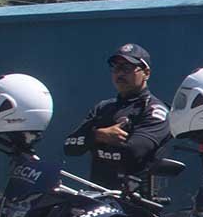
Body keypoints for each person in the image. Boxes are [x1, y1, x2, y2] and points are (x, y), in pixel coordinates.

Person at [63, 43, 171, 193]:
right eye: (115, 68)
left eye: (127, 68)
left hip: (136, 204)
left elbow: (134, 152)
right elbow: (70, 146)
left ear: (146, 73)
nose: (119, 73)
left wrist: (92, 141)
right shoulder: (103, 108)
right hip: (97, 199)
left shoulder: (154, 110)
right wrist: (98, 135)